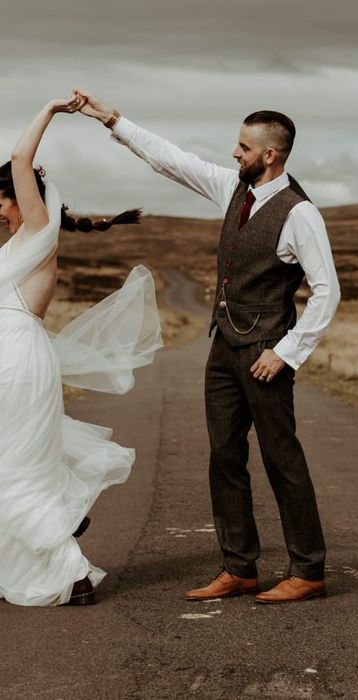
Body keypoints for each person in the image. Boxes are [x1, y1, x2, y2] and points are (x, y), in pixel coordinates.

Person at [75, 89, 340, 604]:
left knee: (281, 458)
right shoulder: (232, 189)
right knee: (223, 455)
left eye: (243, 147)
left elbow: (327, 289)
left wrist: (286, 352)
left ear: (270, 155)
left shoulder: (299, 213)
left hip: (266, 353)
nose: (233, 154)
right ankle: (239, 567)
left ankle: (308, 570)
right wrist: (111, 119)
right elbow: (172, 161)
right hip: (223, 348)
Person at [0, 96, 163, 606]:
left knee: (18, 469)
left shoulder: (37, 233)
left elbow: (20, 159)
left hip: (16, 361)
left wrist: (49, 109)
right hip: (14, 358)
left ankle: (70, 569)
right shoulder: (17, 248)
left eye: (1, 198)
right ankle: (40, 565)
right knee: (18, 465)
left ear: (25, 200)